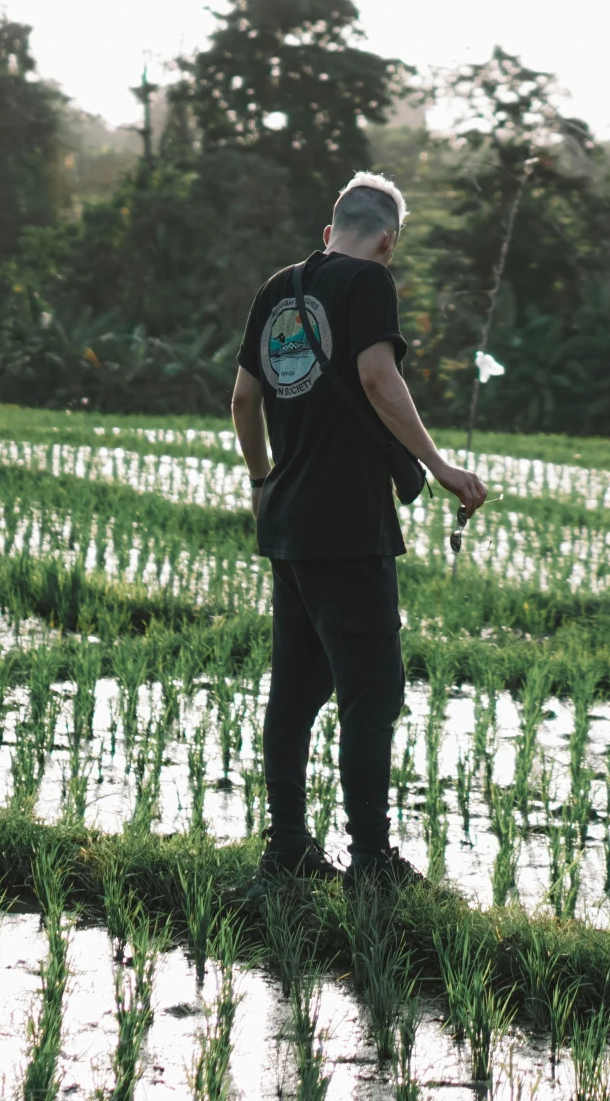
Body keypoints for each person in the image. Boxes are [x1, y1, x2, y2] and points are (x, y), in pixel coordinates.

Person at [231, 170, 487, 887]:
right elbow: (377, 377)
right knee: (371, 691)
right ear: (387, 240)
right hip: (348, 521)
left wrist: (262, 479)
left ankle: (287, 849)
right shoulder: (369, 282)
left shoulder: (277, 289)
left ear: (328, 230)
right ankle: (371, 862)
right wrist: (437, 464)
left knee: (296, 689)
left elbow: (244, 397)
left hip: (288, 520)